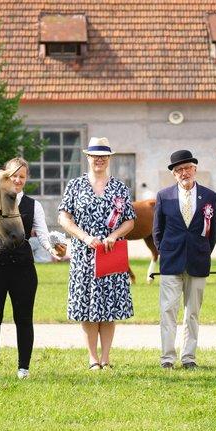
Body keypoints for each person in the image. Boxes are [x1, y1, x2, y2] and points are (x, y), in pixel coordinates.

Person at [0, 157, 60, 380]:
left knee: (24, 319)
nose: (17, 180)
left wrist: (53, 250)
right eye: (13, 175)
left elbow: (43, 234)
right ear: (4, 176)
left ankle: (23, 369)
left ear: (27, 178)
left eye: (22, 176)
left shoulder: (34, 205)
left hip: (23, 268)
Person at [57, 137, 136, 370]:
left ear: (109, 158)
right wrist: (84, 237)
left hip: (111, 253)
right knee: (87, 308)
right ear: (88, 157)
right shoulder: (75, 185)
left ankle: (106, 359)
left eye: (103, 156)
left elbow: (130, 221)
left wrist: (114, 235)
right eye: (95, 156)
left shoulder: (120, 188)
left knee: (109, 308)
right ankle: (93, 359)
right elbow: (64, 218)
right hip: (84, 255)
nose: (99, 159)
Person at [152, 150, 216, 370]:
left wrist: (203, 252)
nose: (184, 173)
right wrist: (165, 252)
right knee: (168, 311)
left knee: (192, 313)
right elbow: (157, 231)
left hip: (198, 261)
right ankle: (167, 358)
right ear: (174, 174)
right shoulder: (164, 196)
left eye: (187, 168)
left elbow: (213, 232)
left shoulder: (209, 196)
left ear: (195, 169)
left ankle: (189, 357)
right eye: (179, 170)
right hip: (171, 262)